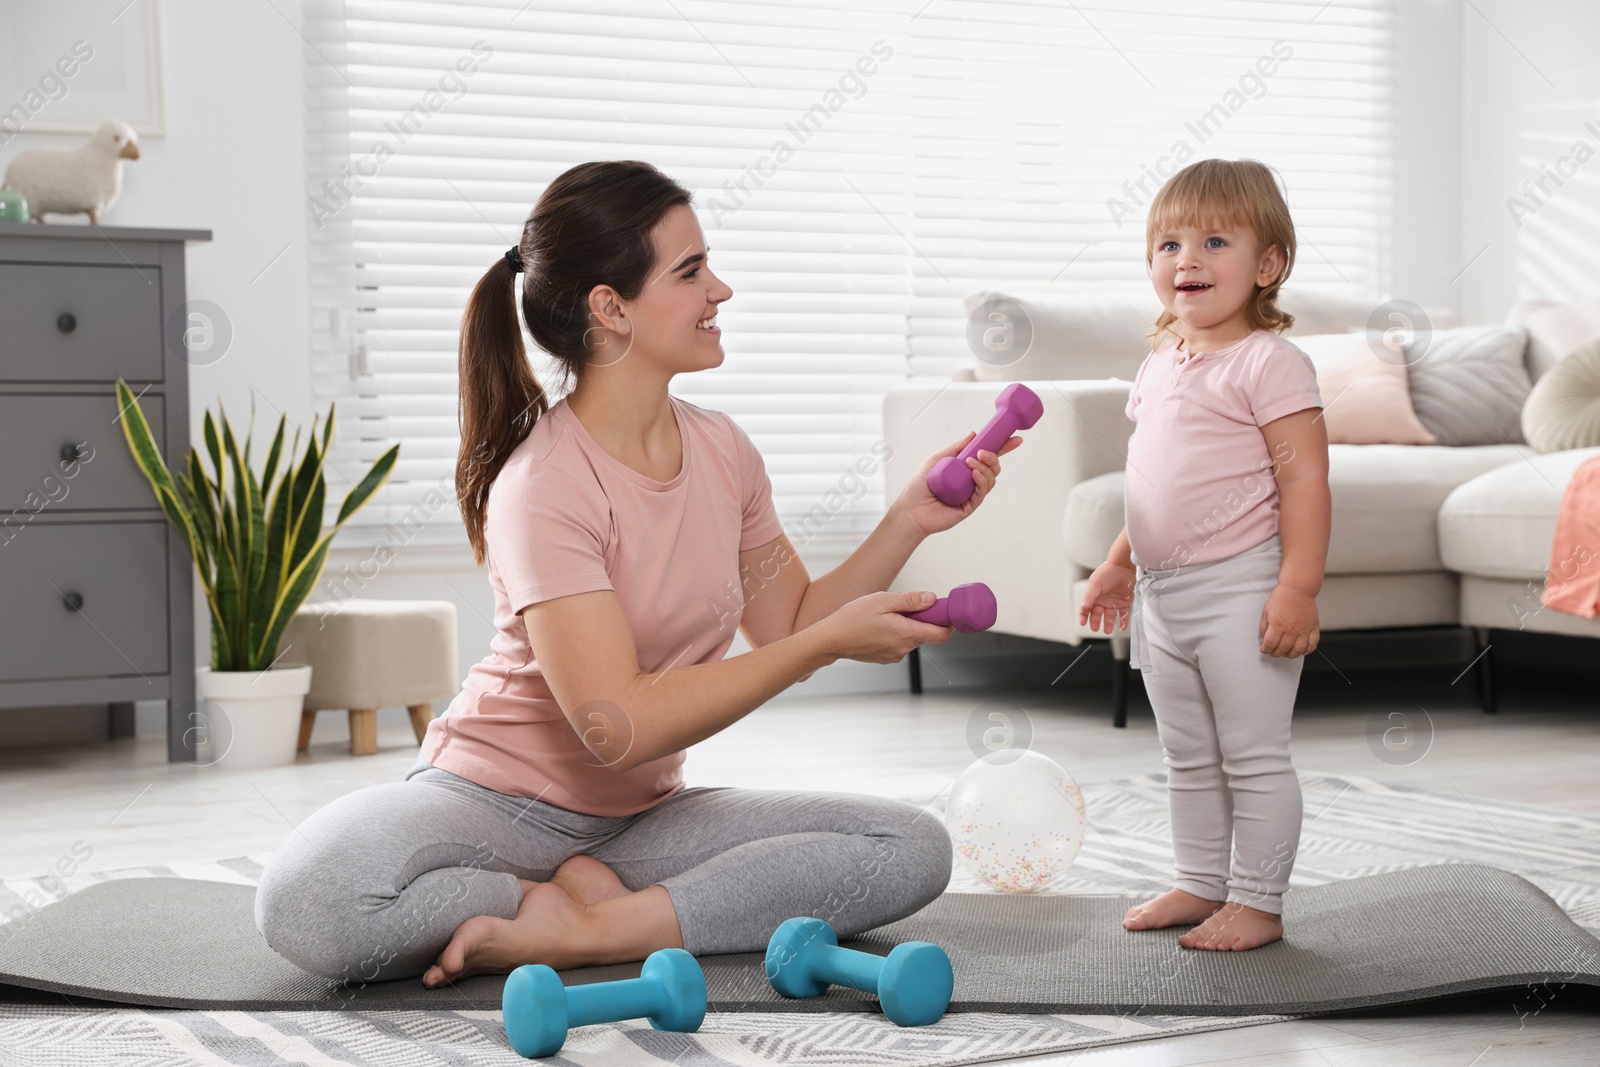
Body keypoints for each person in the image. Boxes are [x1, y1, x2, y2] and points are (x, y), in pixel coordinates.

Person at [254, 160, 1022, 988]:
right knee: (311, 903)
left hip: (637, 823)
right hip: (488, 804)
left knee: (909, 847)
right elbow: (614, 725)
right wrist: (825, 644)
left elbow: (789, 620)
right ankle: (547, 898)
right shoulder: (545, 483)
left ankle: (594, 928)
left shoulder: (725, 450)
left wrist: (908, 519)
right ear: (610, 307)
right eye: (690, 272)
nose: (719, 290)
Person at [1077, 158, 1331, 951]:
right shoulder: (1160, 364)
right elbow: (1149, 478)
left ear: (1268, 264)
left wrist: (1297, 585)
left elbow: (1308, 480)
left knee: (1252, 753)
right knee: (1187, 754)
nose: (1186, 258)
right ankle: (1201, 879)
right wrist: (1119, 559)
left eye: (1214, 240)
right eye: (1168, 243)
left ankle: (1258, 901)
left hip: (1240, 587)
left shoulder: (1270, 362)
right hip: (1163, 594)